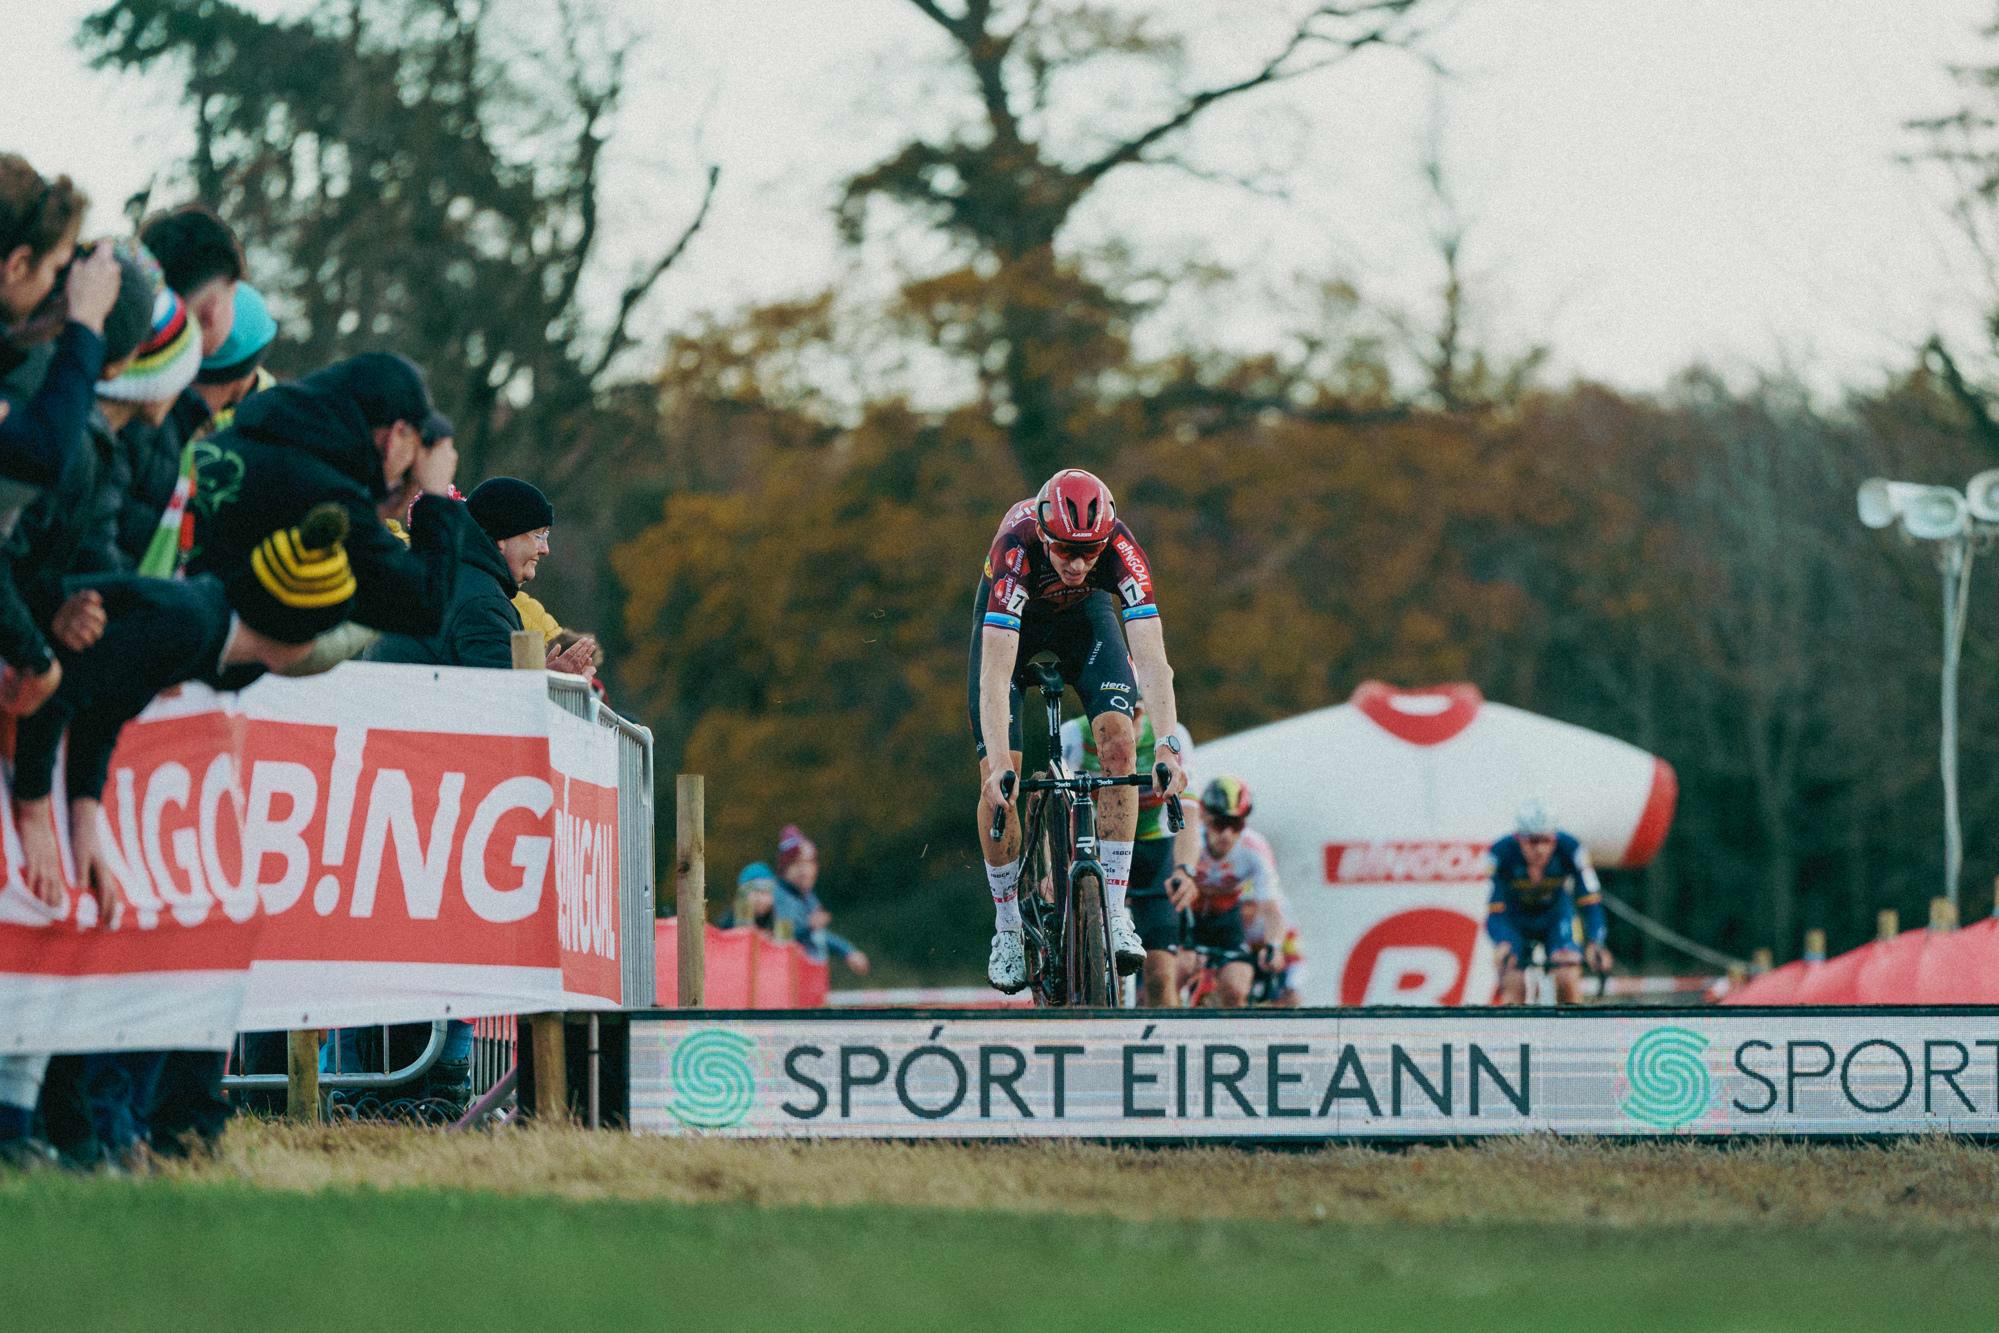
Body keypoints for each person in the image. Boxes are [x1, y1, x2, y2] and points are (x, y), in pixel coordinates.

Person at [2, 506, 358, 1168]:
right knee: (40, 925)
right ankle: (32, 1126)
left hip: (39, 747)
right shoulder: (186, 625)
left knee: (68, 922)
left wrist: (84, 816)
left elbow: (102, 706)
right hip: (21, 733)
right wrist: (34, 812)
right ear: (293, 638)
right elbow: (61, 692)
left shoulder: (196, 626)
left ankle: (48, 1127)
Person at [972, 468, 1188, 993]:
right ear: (1045, 533)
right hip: (1014, 631)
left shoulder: (1120, 549)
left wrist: (1168, 743)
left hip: (1086, 621)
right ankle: (1006, 927)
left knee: (1120, 744)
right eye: (1066, 550)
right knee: (1005, 778)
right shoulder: (1014, 550)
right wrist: (998, 760)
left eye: (1089, 552)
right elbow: (997, 675)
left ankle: (1113, 910)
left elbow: (1154, 661)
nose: (1077, 562)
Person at [185, 351, 475, 658]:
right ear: (396, 434)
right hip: (194, 670)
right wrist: (434, 497)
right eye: (417, 444)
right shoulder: (326, 494)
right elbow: (422, 606)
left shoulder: (233, 441)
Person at [367, 476, 594, 674]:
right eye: (539, 535)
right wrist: (553, 684)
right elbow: (503, 703)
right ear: (502, 538)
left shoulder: (446, 579)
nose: (545, 549)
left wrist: (542, 677)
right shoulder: (481, 602)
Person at [1061, 699, 1197, 1006]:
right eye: (1122, 715)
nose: (1130, 725)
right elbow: (1057, 813)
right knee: (1085, 970)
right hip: (1095, 848)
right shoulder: (1076, 734)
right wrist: (1052, 873)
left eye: (1136, 714)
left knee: (1161, 976)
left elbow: (1189, 811)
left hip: (1154, 851)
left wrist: (1185, 868)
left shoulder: (1171, 737)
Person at [1487, 799, 1613, 1006]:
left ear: (1555, 838)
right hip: (1514, 919)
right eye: (1532, 841)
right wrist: (1502, 941)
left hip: (1555, 916)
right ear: (1519, 839)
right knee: (1514, 981)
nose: (1540, 849)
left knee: (1567, 975)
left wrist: (1595, 942)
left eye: (1546, 841)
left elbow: (1591, 901)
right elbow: (1494, 910)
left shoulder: (1571, 849)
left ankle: (1573, 1032)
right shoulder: (1500, 853)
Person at [1180, 776, 1281, 1009]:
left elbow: (1271, 909)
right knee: (1172, 977)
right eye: (1219, 824)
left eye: (1235, 825)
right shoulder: (1188, 838)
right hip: (1185, 917)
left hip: (1226, 922)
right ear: (1205, 818)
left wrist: (1273, 945)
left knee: (1236, 990)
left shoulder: (1254, 849)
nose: (1226, 834)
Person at [767, 826, 869, 975]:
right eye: (797, 863)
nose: (805, 870)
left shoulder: (806, 896)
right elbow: (783, 941)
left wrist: (847, 952)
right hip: (788, 979)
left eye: (809, 862)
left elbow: (818, 935)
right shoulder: (779, 896)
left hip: (810, 977)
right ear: (784, 867)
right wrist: (809, 927)